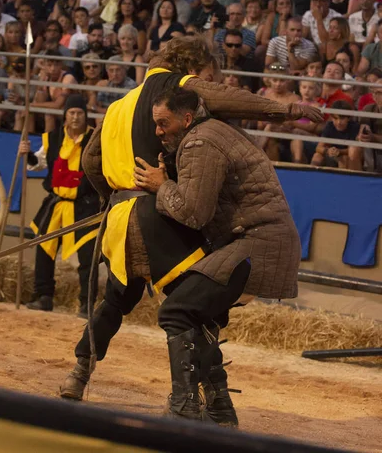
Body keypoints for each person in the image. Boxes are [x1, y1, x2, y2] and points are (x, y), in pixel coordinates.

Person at [59, 36, 322, 415]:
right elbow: (233, 99)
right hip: (160, 214)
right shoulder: (178, 87)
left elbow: (90, 159)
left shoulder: (117, 105)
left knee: (115, 301)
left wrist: (111, 198)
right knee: (193, 309)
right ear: (193, 69)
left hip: (120, 220)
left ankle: (78, 372)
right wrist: (287, 108)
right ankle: (212, 400)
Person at [132, 86, 301, 422]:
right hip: (259, 243)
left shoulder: (200, 142)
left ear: (187, 118)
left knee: (176, 312)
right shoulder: (213, 133)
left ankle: (184, 408)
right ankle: (221, 410)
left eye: (163, 123)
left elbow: (193, 213)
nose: (158, 131)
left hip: (255, 246)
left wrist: (160, 185)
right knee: (196, 312)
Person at [19, 95, 101, 317]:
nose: (75, 117)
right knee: (44, 251)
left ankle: (87, 303)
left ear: (86, 115)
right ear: (65, 115)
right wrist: (27, 155)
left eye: (80, 113)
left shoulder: (95, 139)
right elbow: (39, 164)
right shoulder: (53, 139)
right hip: (56, 204)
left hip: (84, 206)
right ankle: (44, 296)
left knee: (87, 257)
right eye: (71, 113)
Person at [33, 49, 78, 132]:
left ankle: (48, 143)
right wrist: (41, 82)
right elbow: (40, 100)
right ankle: (27, 140)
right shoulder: (46, 77)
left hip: (71, 110)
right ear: (45, 66)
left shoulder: (68, 77)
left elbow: (58, 104)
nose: (53, 69)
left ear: (61, 65)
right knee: (25, 112)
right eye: (49, 65)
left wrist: (33, 105)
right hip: (58, 110)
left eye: (56, 65)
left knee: (49, 114)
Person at [311, 100, 361, 170]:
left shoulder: (354, 127)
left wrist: (339, 151)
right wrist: (327, 151)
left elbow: (353, 150)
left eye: (342, 118)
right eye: (335, 118)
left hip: (346, 156)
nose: (338, 122)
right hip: (332, 154)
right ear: (331, 118)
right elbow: (318, 147)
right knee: (317, 156)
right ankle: (313, 178)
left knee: (344, 158)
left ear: (349, 118)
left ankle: (343, 179)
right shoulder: (329, 125)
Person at [359, 78, 382, 172]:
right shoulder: (368, 109)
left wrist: (374, 137)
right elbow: (362, 130)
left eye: (380, 93)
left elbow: (373, 138)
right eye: (374, 92)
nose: (376, 96)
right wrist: (362, 134)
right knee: (355, 147)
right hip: (373, 151)